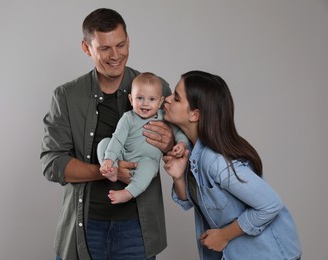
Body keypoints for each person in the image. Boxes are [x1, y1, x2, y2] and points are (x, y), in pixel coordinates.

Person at [40, 8, 175, 260]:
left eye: (121, 45)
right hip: (85, 226)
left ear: (128, 41)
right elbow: (52, 163)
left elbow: (187, 142)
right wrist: (106, 170)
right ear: (86, 47)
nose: (115, 56)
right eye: (104, 48)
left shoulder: (158, 89)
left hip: (138, 229)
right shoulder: (66, 96)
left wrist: (170, 143)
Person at [162, 70, 302, 259]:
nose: (168, 99)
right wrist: (178, 178)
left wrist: (223, 236)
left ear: (195, 114)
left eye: (177, 98)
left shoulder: (215, 161)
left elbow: (270, 204)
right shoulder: (190, 150)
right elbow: (189, 201)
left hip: (269, 254)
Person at [97, 72, 188, 204]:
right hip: (123, 155)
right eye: (140, 98)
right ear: (131, 99)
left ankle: (129, 192)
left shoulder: (164, 117)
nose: (145, 104)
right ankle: (110, 170)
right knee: (104, 143)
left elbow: (179, 131)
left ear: (160, 101)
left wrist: (182, 143)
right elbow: (117, 139)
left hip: (145, 160)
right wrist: (109, 159)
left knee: (151, 167)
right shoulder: (128, 118)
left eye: (152, 99)